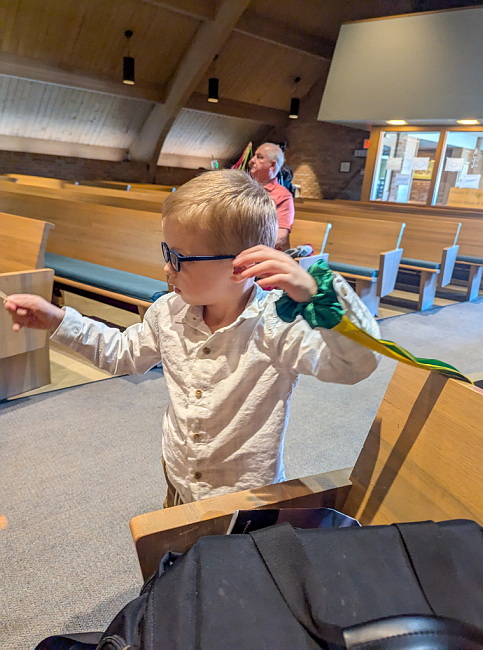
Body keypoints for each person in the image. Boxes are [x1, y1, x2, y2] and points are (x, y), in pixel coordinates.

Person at [4, 170, 380, 507]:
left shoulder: (276, 325)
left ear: (243, 265)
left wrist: (321, 296)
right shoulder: (169, 311)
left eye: (179, 258)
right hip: (179, 477)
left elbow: (355, 365)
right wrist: (58, 320)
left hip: (244, 495)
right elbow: (122, 353)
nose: (167, 268)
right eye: (167, 252)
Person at [248, 142, 294, 250]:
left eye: (259, 157)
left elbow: (280, 237)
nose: (252, 161)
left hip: (261, 252)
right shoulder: (243, 188)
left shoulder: (283, 196)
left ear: (272, 165)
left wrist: (248, 249)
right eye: (254, 156)